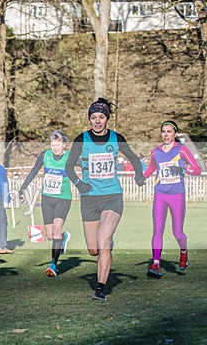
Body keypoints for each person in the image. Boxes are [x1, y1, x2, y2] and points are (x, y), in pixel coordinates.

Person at [64, 98, 144, 300]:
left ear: (107, 119)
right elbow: (68, 167)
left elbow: (134, 158)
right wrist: (79, 183)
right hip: (89, 198)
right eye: (93, 117)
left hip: (112, 196)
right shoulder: (81, 139)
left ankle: (100, 289)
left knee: (103, 241)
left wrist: (139, 174)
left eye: (101, 117)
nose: (97, 121)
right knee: (93, 249)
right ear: (89, 119)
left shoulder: (116, 138)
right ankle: (106, 242)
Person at [143, 120, 202, 277]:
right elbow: (152, 168)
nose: (166, 134)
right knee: (157, 230)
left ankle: (183, 252)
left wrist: (181, 168)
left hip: (177, 195)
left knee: (178, 233)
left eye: (169, 132)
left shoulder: (182, 150)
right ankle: (156, 264)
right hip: (160, 194)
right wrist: (142, 177)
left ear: (175, 134)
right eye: (163, 131)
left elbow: (197, 169)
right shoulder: (156, 152)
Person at [19, 130, 73, 277]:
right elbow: (33, 171)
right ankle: (63, 237)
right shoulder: (45, 155)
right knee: (50, 235)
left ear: (64, 144)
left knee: (55, 231)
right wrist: (23, 187)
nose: (54, 147)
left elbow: (86, 165)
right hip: (47, 198)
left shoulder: (70, 157)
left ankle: (53, 265)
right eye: (52, 144)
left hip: (63, 198)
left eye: (58, 144)